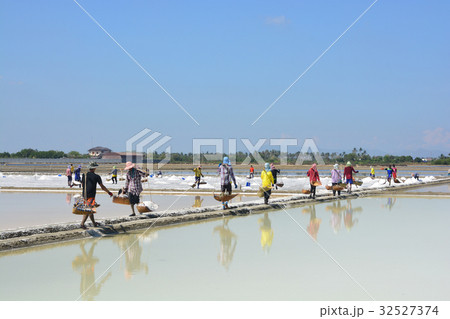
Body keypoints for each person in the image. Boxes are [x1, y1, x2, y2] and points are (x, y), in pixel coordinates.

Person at [80, 162, 113, 229]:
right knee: (88, 210)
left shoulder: (84, 175)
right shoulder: (97, 176)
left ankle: (94, 223)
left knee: (90, 209)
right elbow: (102, 187)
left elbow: (82, 185)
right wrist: (109, 192)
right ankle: (82, 224)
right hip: (91, 194)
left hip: (84, 194)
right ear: (94, 168)